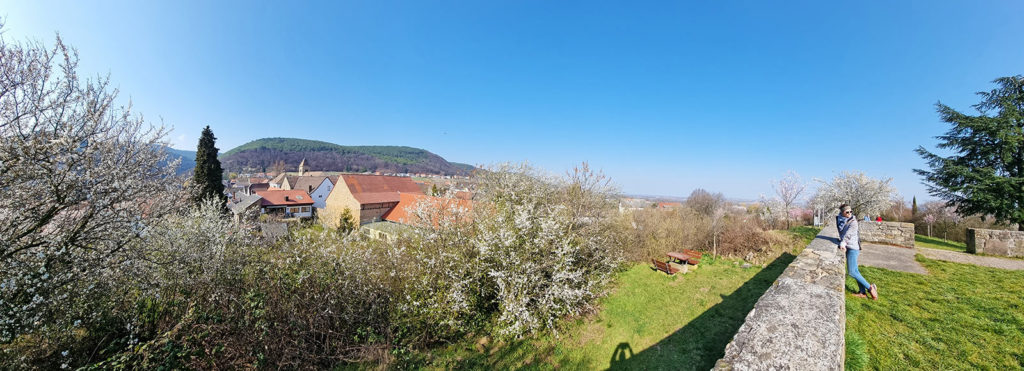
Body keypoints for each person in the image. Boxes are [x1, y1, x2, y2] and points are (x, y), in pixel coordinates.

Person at [837, 204, 878, 300]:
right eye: (847, 212)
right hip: (849, 247)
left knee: (851, 272)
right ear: (842, 213)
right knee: (856, 271)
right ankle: (862, 292)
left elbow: (848, 235)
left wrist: (843, 243)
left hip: (853, 248)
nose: (849, 213)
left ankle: (870, 288)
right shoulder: (840, 220)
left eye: (851, 211)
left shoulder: (853, 222)